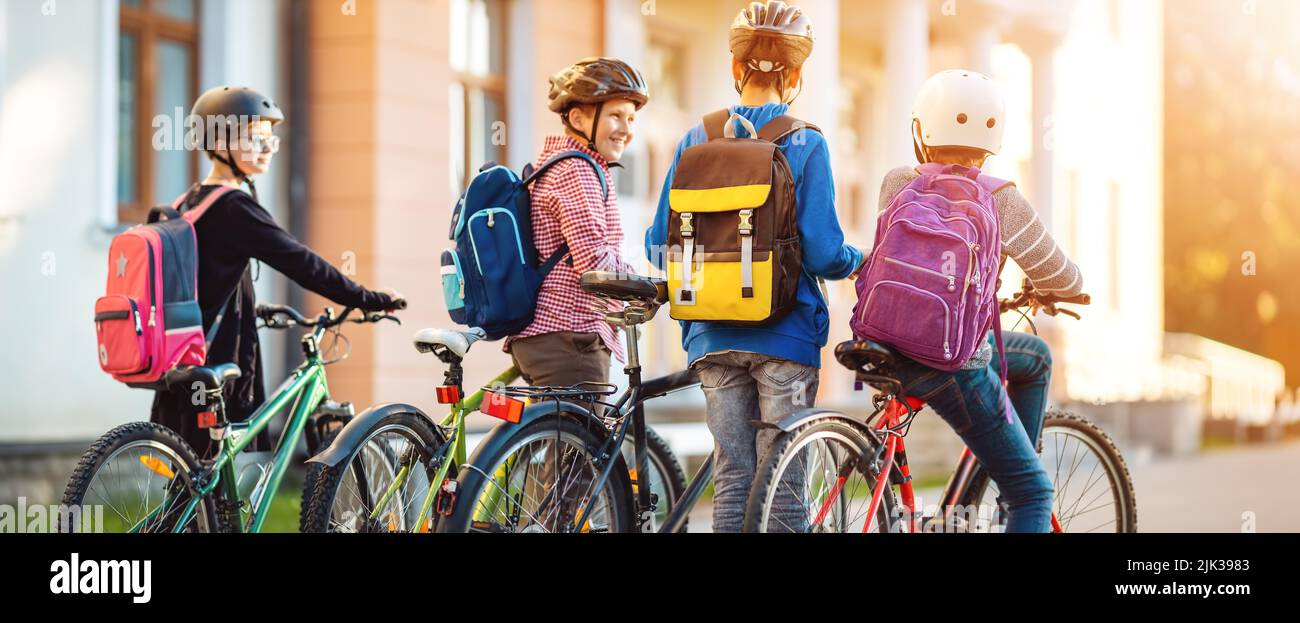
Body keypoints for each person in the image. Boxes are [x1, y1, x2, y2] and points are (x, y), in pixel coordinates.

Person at [645, 1, 864, 533]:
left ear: (736, 69)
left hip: (712, 336)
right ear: (795, 75)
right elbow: (821, 251)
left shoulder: (695, 139)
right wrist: (859, 261)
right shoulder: (806, 141)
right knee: (783, 480)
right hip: (784, 333)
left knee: (734, 476)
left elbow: (657, 245)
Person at [875, 69, 1085, 532]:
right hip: (952, 361)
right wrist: (1071, 286)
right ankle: (1016, 493)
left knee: (1033, 356)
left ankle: (997, 473)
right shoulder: (1001, 200)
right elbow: (1060, 274)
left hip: (885, 344)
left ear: (922, 131)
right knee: (1033, 491)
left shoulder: (897, 183)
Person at [151, 86, 402, 457]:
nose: (267, 148)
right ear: (219, 142)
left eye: (271, 139)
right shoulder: (234, 207)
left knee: (191, 495)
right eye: (255, 138)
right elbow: (302, 263)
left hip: (181, 366)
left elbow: (205, 280)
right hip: (221, 368)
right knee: (227, 487)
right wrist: (364, 297)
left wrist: (254, 308)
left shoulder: (186, 202)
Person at [505, 58, 648, 391]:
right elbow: (594, 263)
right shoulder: (576, 170)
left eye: (631, 118)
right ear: (579, 117)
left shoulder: (559, 164)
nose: (626, 129)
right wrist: (648, 286)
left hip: (550, 336)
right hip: (570, 335)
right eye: (615, 116)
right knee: (581, 443)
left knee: (561, 440)